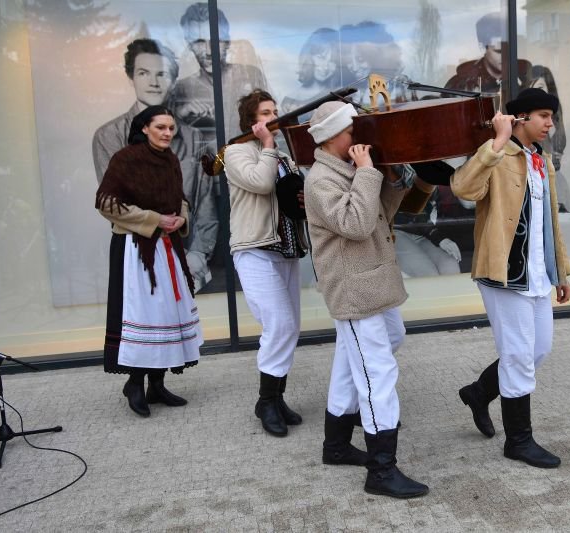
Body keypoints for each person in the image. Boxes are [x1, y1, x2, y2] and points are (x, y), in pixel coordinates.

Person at [303, 101, 428, 498]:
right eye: (352, 131)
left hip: (372, 281)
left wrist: (391, 179)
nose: (360, 137)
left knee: (376, 345)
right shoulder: (321, 180)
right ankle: (381, 471)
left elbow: (377, 216)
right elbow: (356, 225)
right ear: (333, 136)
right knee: (377, 373)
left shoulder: (348, 169)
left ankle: (337, 444)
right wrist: (367, 171)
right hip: (354, 288)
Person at [452, 88, 570, 468]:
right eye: (543, 115)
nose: (550, 123)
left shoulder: (541, 160)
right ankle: (518, 441)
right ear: (521, 117)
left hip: (537, 273)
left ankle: (478, 392)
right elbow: (463, 188)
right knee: (519, 355)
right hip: (504, 273)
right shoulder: (497, 153)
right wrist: (497, 142)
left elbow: (550, 222)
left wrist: (560, 271)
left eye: (552, 116)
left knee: (538, 350)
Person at [95, 106, 203, 418]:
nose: (168, 133)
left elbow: (180, 198)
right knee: (145, 315)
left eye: (171, 128)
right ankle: (134, 384)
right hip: (136, 248)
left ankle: (157, 384)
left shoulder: (170, 160)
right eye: (161, 127)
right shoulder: (126, 159)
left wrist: (180, 218)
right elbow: (105, 202)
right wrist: (155, 219)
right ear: (145, 128)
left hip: (167, 247)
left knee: (166, 313)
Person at [93, 38, 217, 292]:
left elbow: (205, 201)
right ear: (131, 77)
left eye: (162, 74)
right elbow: (114, 203)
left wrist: (198, 254)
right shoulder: (109, 136)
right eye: (143, 73)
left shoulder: (193, 137)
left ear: (173, 80)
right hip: (139, 251)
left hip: (187, 259)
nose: (153, 82)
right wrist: (156, 220)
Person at [223, 90, 306, 437]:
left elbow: (289, 192)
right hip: (254, 247)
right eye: (266, 112)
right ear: (251, 120)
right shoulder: (235, 152)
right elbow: (259, 183)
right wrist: (268, 144)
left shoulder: (282, 154)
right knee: (279, 324)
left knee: (290, 326)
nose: (274, 116)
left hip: (285, 248)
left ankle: (277, 398)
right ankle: (266, 401)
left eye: (275, 111)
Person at [173, 3, 270, 145]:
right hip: (206, 159)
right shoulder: (182, 88)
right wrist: (182, 113)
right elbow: (168, 136)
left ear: (227, 42)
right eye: (199, 42)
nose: (209, 51)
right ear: (189, 44)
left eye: (216, 41)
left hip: (248, 156)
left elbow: (271, 120)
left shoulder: (249, 75)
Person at [445, 12, 531, 103]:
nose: (505, 57)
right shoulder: (460, 85)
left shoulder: (526, 77)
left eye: (509, 51)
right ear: (482, 47)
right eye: (499, 51)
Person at [525, 65, 570, 212]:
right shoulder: (526, 121)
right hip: (536, 185)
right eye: (532, 87)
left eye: (540, 87)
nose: (536, 92)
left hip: (554, 185)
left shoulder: (554, 121)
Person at [280, 27, 344, 115]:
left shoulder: (341, 95)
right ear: (308, 57)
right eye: (321, 57)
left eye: (332, 62)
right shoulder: (290, 101)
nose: (325, 67)